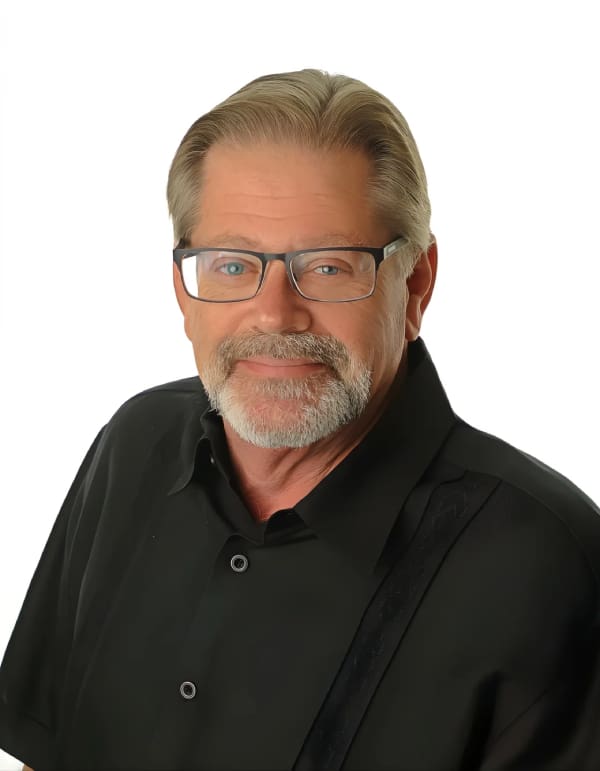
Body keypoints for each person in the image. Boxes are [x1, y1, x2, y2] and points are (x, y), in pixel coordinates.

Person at [1, 68, 600, 771]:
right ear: (182, 289)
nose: (276, 315)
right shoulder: (133, 446)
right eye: (231, 265)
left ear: (417, 284)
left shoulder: (548, 564)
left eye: (328, 266)